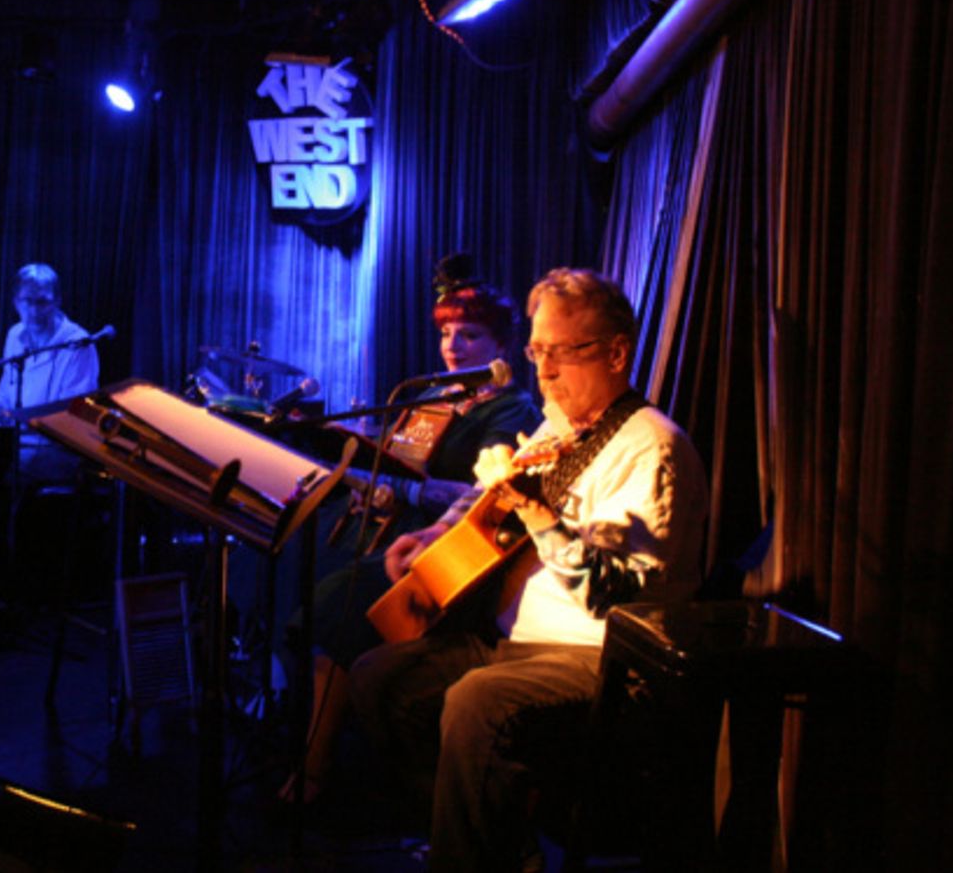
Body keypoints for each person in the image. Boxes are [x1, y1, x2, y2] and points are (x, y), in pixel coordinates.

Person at [347, 268, 708, 872]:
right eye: (536, 351)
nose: (542, 372)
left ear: (616, 352)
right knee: (378, 677)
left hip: (600, 660)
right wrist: (437, 532)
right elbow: (490, 495)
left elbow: (615, 596)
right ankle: (498, 847)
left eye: (560, 354)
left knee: (475, 701)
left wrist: (538, 514)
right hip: (518, 644)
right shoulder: (561, 425)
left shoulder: (655, 447)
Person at [279, 256, 541, 805]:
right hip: (388, 532)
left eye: (469, 334)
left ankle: (315, 769)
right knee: (290, 565)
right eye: (446, 332)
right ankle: (301, 731)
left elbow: (486, 500)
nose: (453, 345)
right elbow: (397, 466)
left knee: (334, 601)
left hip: (448, 559)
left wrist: (408, 492)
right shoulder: (435, 396)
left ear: (503, 345)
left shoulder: (512, 410)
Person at [0, 262, 101, 483]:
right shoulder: (14, 335)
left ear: (57, 301)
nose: (35, 311)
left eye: (43, 302)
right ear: (15, 302)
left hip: (58, 452)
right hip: (16, 442)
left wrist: (15, 419)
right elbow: (6, 394)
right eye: (27, 301)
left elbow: (75, 414)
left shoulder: (78, 344)